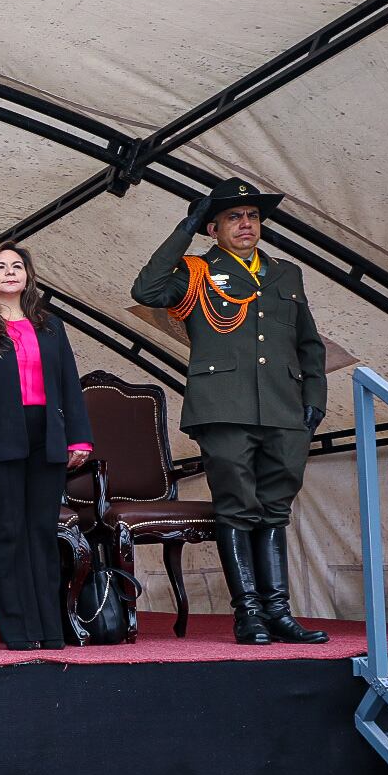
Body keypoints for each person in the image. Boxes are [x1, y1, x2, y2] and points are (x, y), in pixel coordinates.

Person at [131, 177, 328, 645]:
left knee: (275, 510)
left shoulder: (285, 274)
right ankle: (249, 615)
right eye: (234, 217)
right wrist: (187, 227)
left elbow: (307, 343)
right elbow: (147, 288)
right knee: (237, 509)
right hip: (224, 407)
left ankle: (279, 612)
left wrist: (315, 400)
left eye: (253, 217)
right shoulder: (196, 270)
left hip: (284, 408)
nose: (246, 224)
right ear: (214, 227)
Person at [0, 244, 93, 651]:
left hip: (46, 436)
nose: (10, 273)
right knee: (9, 531)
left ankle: (49, 627)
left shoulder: (50, 325)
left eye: (17, 266)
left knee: (42, 532)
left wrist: (78, 436)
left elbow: (68, 385)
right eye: (0, 268)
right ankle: (17, 629)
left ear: (27, 275)